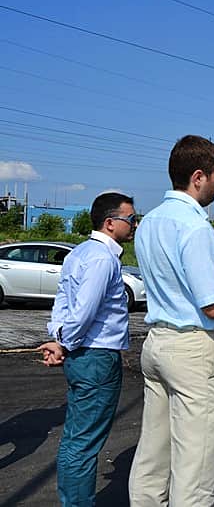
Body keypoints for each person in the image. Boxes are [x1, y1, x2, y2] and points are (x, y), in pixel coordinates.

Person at [128, 135, 214, 506]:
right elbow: (213, 305)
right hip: (192, 349)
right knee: (196, 464)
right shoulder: (195, 226)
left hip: (157, 343)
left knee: (153, 453)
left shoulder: (150, 223)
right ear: (198, 177)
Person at [37, 192, 137, 506]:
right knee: (84, 443)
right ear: (110, 223)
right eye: (131, 219)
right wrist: (65, 341)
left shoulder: (79, 253)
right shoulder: (102, 258)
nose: (134, 225)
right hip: (97, 357)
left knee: (76, 439)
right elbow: (84, 312)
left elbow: (62, 305)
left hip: (82, 355)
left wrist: (59, 338)